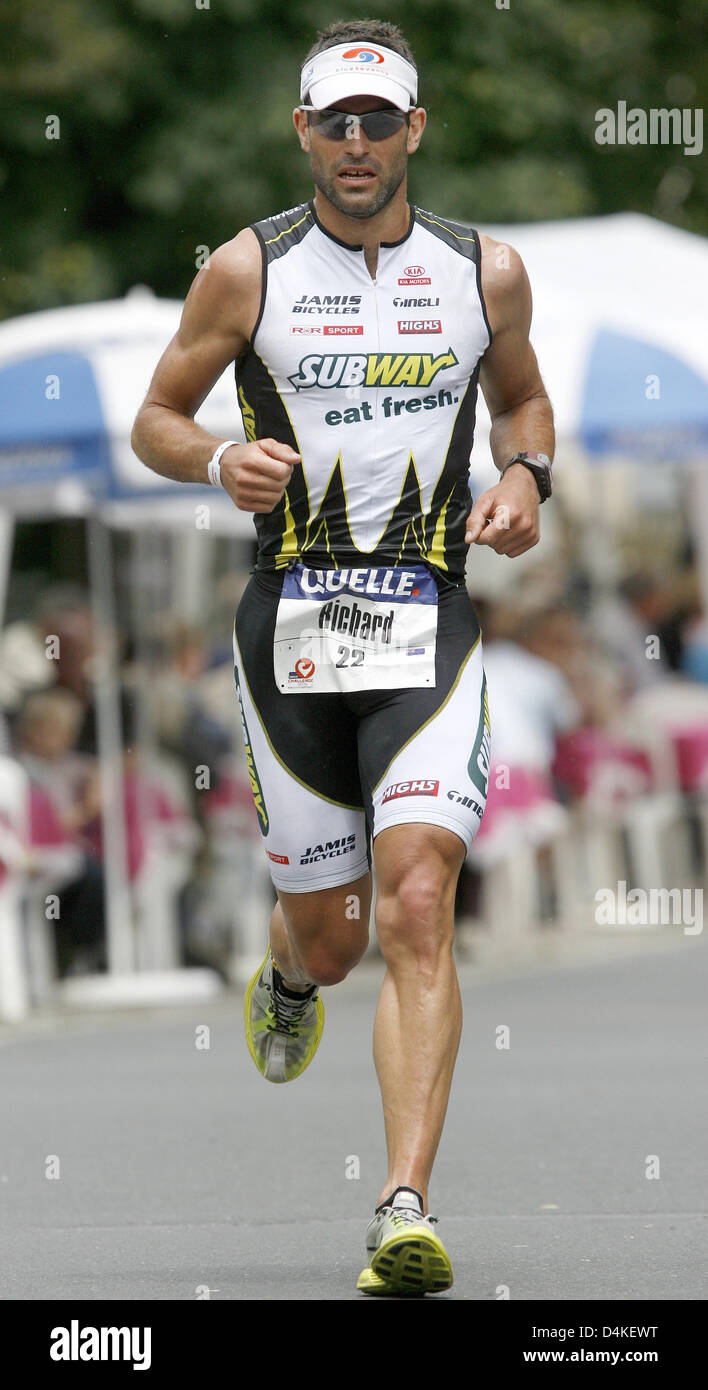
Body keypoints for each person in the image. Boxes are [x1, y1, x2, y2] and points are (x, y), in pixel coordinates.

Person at [131, 18, 554, 1297]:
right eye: (336, 122)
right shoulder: (244, 271)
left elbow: (523, 399)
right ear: (303, 131)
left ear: (417, 127)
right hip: (291, 627)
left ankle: (403, 1205)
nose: (358, 144)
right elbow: (156, 415)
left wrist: (529, 472)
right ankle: (288, 958)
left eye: (381, 120)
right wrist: (213, 459)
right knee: (336, 938)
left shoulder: (485, 270)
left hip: (433, 612)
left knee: (418, 899)